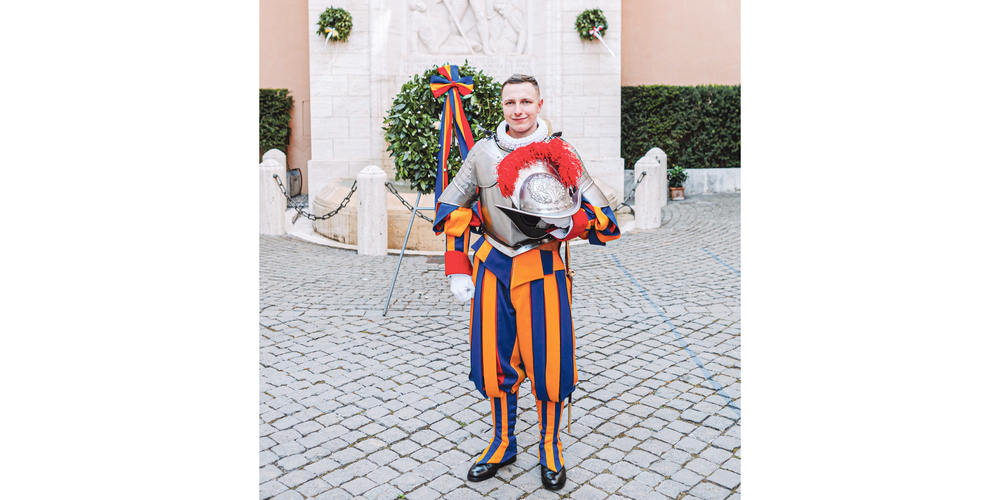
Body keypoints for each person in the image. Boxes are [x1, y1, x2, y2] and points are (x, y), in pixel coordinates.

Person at [432, 74, 620, 490]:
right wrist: (457, 266)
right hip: (494, 266)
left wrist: (569, 226)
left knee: (549, 362)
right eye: (510, 103)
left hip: (544, 269)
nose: (518, 110)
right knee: (495, 360)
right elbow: (451, 207)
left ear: (539, 104)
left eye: (525, 102)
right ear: (502, 107)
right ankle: (502, 443)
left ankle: (550, 445)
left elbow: (604, 217)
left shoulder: (561, 152)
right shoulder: (482, 154)